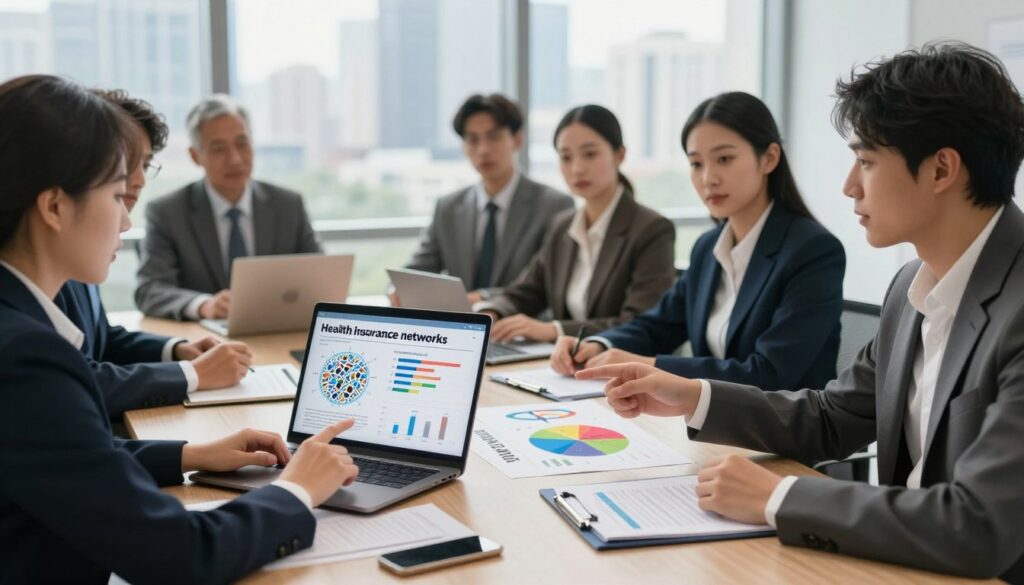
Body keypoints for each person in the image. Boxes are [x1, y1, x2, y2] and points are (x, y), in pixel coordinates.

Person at [577, 43, 1024, 581]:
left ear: (941, 169)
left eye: (866, 161)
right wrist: (690, 396)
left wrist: (781, 496)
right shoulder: (912, 285)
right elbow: (833, 416)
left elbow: (981, 525)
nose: (849, 186)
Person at [0, 74, 360, 584]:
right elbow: (179, 554)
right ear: (55, 206)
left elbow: (59, 454)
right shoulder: (24, 356)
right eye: (115, 194)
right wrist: (297, 489)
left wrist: (193, 455)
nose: (126, 221)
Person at [551, 92, 845, 390]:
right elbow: (659, 325)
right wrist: (599, 344)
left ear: (769, 158)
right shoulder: (708, 248)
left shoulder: (813, 251)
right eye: (696, 164)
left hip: (784, 432)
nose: (708, 178)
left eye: (724, 159)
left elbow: (768, 373)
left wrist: (649, 366)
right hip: (716, 424)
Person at [55, 89, 253, 418]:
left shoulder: (81, 250)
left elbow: (103, 339)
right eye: (128, 163)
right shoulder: (57, 257)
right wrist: (194, 374)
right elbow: (76, 383)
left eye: (146, 164)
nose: (139, 179)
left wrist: (176, 350)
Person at [476, 105, 676, 341]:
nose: (577, 169)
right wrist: (492, 312)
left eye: (590, 154)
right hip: (563, 365)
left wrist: (555, 330)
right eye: (566, 157)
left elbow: (638, 322)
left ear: (619, 155)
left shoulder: (651, 229)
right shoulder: (562, 226)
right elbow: (526, 292)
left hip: (622, 368)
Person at [135, 93, 321, 320]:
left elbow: (319, 280)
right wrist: (204, 305)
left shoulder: (288, 205)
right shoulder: (167, 213)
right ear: (196, 156)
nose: (235, 159)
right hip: (204, 341)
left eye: (242, 144)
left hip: (275, 332)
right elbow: (150, 290)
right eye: (218, 149)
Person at [398, 93, 573, 305]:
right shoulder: (448, 207)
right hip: (460, 328)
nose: (483, 150)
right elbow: (418, 271)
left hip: (519, 331)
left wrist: (483, 298)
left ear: (517, 140)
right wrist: (397, 290)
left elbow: (546, 286)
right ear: (463, 146)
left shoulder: (554, 206)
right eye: (472, 140)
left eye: (494, 137)